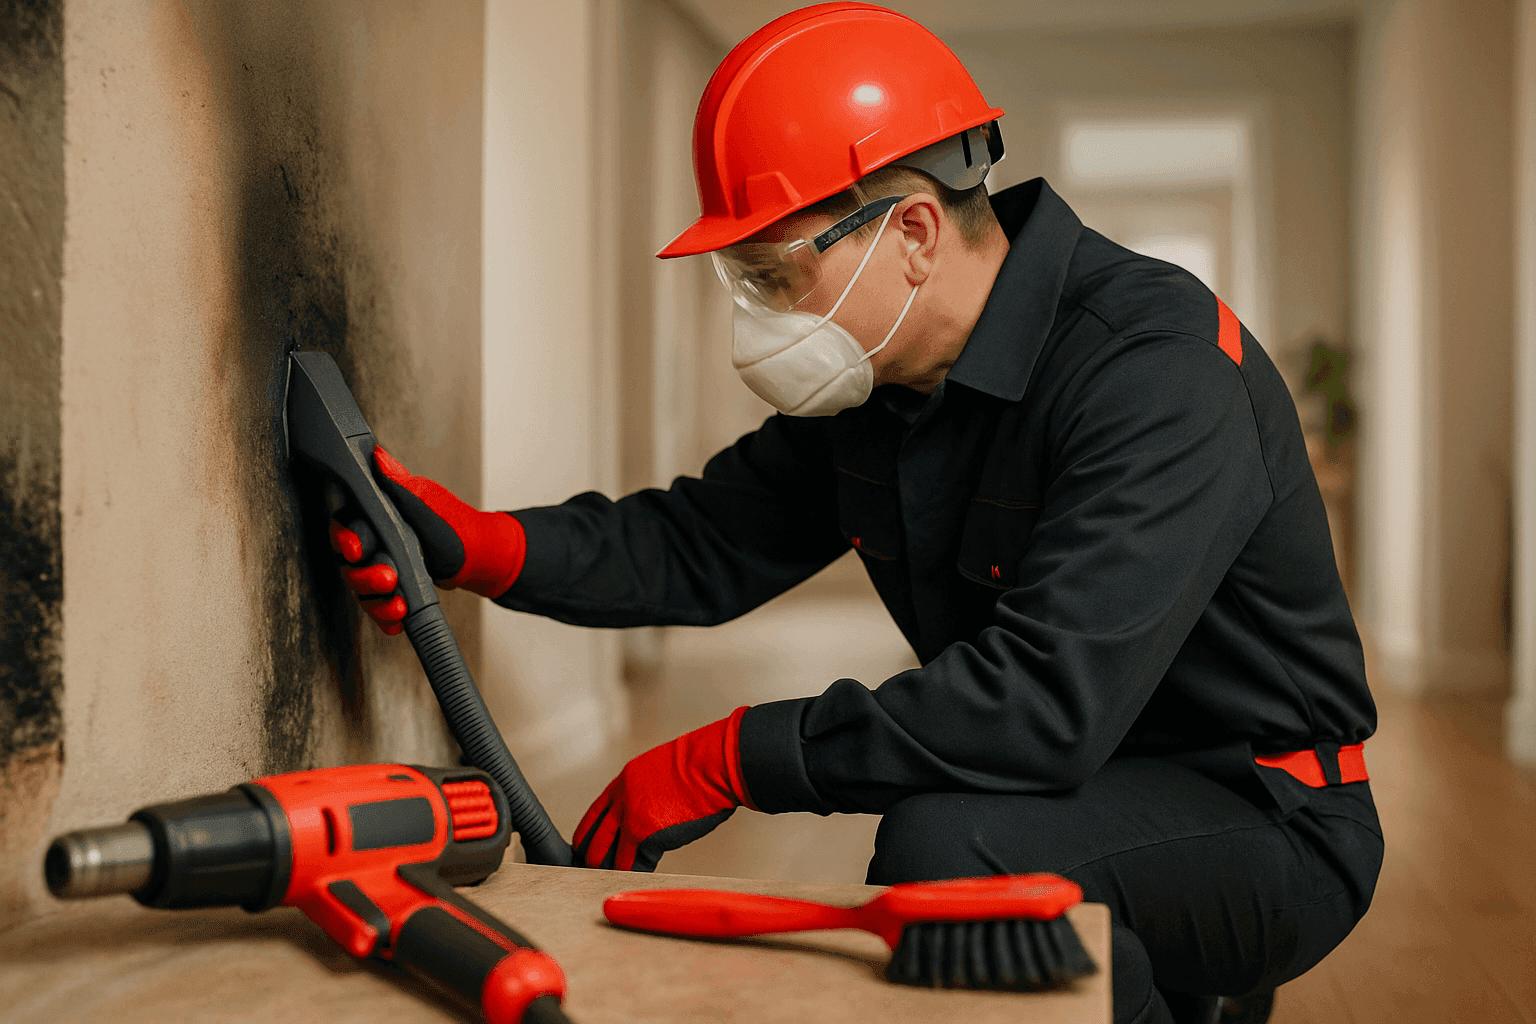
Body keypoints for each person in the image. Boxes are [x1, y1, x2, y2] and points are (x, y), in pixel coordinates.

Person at [330, 5, 1382, 1022]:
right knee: (964, 838)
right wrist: (475, 543)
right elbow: (702, 540)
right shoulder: (888, 382)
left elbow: (1042, 706)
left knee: (951, 854)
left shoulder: (1154, 371)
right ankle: (1153, 968)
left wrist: (736, 754)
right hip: (1092, 784)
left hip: (1268, 812)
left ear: (914, 231)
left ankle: (1188, 973)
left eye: (776, 273)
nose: (757, 315)